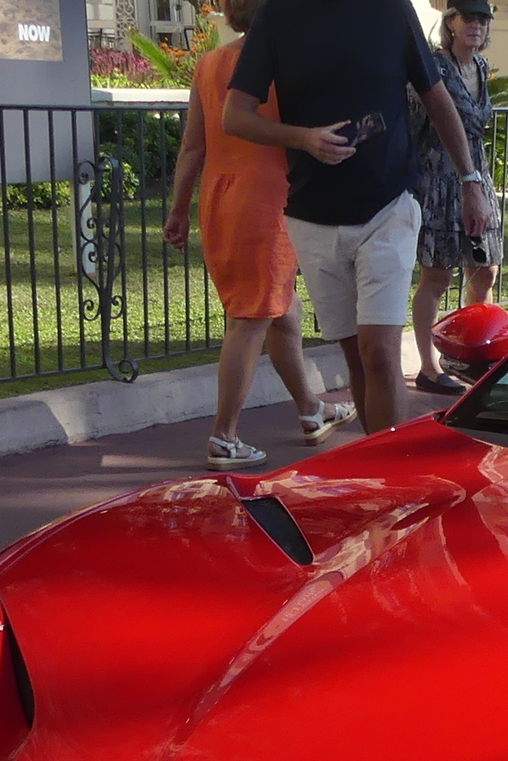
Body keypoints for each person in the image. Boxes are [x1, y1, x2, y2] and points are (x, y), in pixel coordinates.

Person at [220, 0, 498, 435]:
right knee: (356, 357)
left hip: (389, 205)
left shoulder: (391, 10)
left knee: (380, 354)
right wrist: (303, 139)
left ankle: (393, 481)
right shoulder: (277, 14)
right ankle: (375, 475)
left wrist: (471, 181)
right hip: (313, 214)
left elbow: (436, 95)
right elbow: (234, 116)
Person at [163, 0, 356, 467]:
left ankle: (311, 411)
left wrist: (178, 210)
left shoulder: (210, 64)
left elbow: (193, 146)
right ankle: (224, 437)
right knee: (251, 318)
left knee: (281, 311)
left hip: (221, 195)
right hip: (266, 199)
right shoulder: (284, 62)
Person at [408, 0, 502, 396]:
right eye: (469, 18)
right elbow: (416, 123)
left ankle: (471, 351)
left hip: (476, 175)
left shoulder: (480, 67)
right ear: (451, 23)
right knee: (438, 274)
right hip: (440, 178)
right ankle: (429, 366)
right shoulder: (434, 66)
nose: (476, 26)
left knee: (486, 268)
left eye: (482, 20)